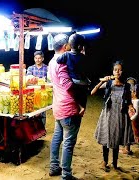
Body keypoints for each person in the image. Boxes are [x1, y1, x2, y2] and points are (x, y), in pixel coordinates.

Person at [48, 33, 84, 179]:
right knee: (68, 142)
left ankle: (54, 166)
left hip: (58, 106)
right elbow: (68, 85)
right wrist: (80, 103)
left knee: (57, 137)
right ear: (65, 47)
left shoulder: (51, 61)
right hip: (68, 107)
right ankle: (66, 175)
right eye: (69, 44)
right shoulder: (62, 62)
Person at [91, 60, 132, 172]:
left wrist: (131, 107)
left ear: (122, 71)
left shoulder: (127, 86)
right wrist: (102, 81)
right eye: (115, 70)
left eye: (119, 70)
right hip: (108, 113)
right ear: (112, 71)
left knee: (116, 138)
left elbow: (128, 101)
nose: (117, 72)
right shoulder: (109, 83)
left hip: (120, 114)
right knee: (106, 136)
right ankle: (105, 161)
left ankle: (114, 163)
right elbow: (92, 92)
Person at [56, 33, 91, 116]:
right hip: (83, 81)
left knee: (74, 94)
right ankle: (83, 106)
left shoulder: (66, 55)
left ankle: (80, 107)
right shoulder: (83, 57)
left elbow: (58, 60)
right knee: (84, 92)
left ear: (69, 45)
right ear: (80, 47)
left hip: (74, 80)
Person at [26, 51, 48, 126]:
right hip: (32, 92)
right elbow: (28, 78)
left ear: (42, 59)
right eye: (36, 58)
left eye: (39, 58)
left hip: (43, 92)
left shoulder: (46, 68)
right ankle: (33, 127)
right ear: (34, 59)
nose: (37, 60)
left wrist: (36, 79)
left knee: (42, 109)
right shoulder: (30, 68)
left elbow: (48, 80)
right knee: (32, 110)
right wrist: (40, 79)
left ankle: (42, 127)